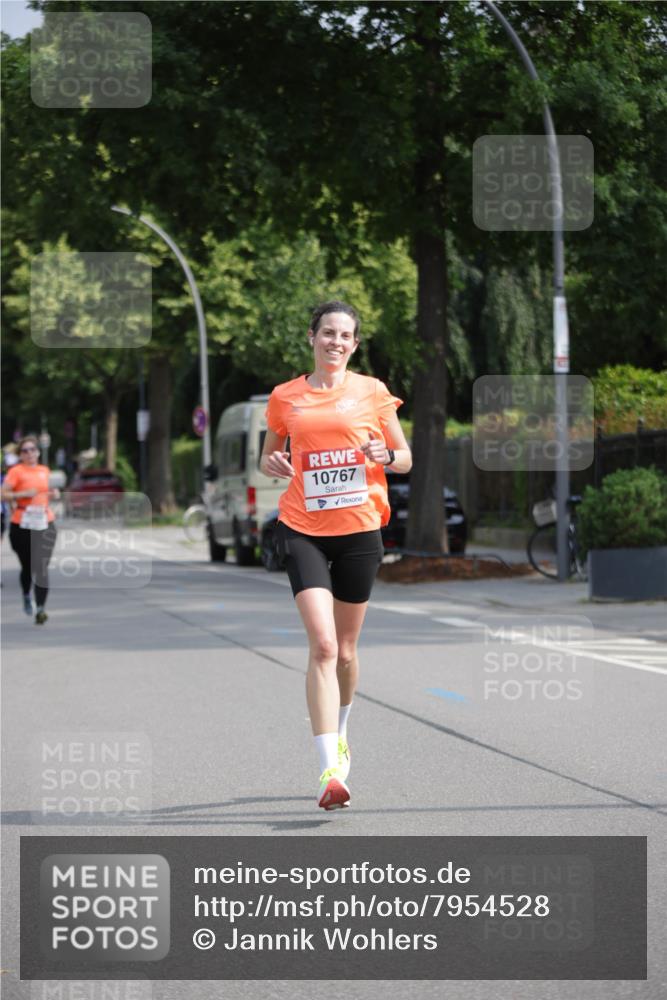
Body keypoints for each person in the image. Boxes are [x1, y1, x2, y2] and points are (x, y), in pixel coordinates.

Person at [260, 301, 412, 810]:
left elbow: (405, 458)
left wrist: (384, 456)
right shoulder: (286, 397)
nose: (336, 342)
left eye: (345, 335)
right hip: (302, 526)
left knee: (347, 652)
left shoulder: (371, 392)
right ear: (312, 337)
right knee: (323, 646)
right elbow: (268, 457)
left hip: (359, 529)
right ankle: (329, 770)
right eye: (328, 333)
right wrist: (275, 462)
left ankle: (342, 728)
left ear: (354, 343)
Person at [1, 435, 59, 624]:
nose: (29, 453)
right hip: (22, 522)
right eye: (25, 450)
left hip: (45, 520)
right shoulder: (16, 472)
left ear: (38, 452)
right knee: (28, 567)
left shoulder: (44, 470)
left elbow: (47, 493)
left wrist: (54, 494)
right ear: (20, 454)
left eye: (32, 449)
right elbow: (3, 495)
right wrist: (22, 494)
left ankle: (41, 608)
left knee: (41, 566)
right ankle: (27, 594)